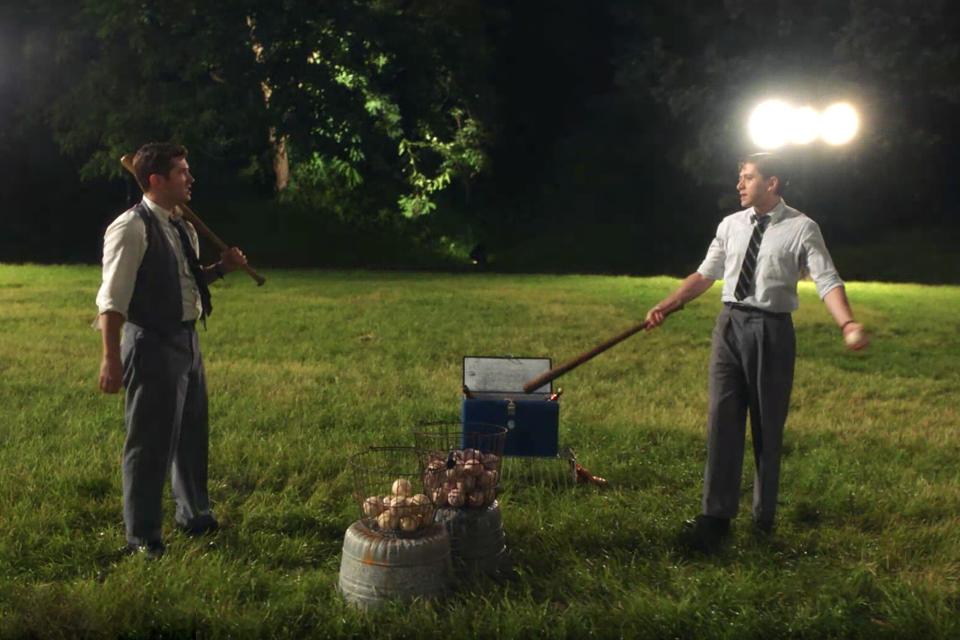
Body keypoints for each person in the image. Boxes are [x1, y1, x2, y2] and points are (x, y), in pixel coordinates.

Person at [644, 152, 868, 552]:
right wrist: (669, 303)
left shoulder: (802, 228)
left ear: (772, 183)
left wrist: (847, 323)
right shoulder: (730, 225)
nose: (739, 185)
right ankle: (715, 517)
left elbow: (827, 279)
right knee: (722, 420)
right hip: (728, 325)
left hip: (772, 330)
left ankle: (763, 517)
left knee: (767, 426)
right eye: (740, 178)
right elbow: (704, 275)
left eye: (747, 178)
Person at [96, 142, 247, 559]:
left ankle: (194, 513)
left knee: (192, 433)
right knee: (149, 442)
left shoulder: (182, 226)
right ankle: (142, 538)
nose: (190, 178)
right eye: (182, 171)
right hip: (151, 345)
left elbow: (186, 282)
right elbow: (112, 300)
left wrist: (221, 269)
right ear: (156, 180)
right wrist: (110, 357)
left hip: (186, 340)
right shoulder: (131, 228)